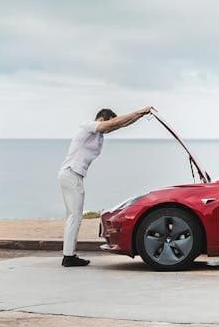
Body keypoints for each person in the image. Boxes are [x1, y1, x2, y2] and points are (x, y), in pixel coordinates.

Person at [58, 106, 153, 267]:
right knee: (75, 217)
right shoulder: (88, 126)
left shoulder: (99, 134)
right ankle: (68, 257)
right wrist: (139, 111)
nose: (109, 130)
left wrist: (141, 115)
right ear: (102, 119)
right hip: (71, 174)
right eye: (109, 123)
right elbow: (113, 124)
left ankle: (69, 255)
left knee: (73, 216)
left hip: (71, 175)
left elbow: (120, 124)